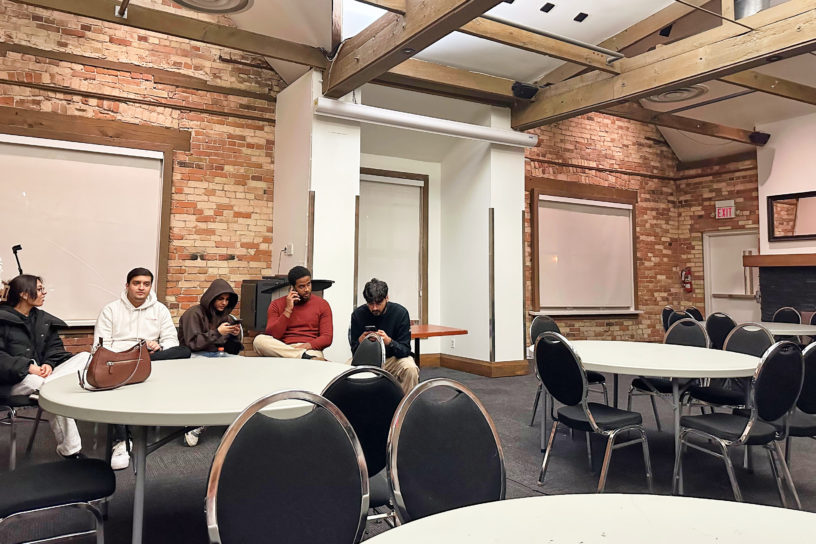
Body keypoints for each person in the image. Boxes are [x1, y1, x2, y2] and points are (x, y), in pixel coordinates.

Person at [95, 267, 190, 469]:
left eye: (146, 284)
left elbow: (171, 341)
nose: (141, 288)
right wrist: (135, 349)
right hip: (120, 361)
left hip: (150, 360)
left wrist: (159, 346)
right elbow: (101, 346)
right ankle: (122, 441)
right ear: (127, 285)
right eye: (136, 283)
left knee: (184, 351)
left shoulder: (160, 310)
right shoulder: (111, 310)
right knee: (116, 383)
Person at [0, 275, 88, 458]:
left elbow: (55, 349)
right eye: (39, 289)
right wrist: (28, 367)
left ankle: (47, 389)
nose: (44, 292)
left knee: (85, 358)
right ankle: (71, 451)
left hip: (44, 377)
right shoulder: (2, 320)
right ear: (24, 294)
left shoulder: (42, 319)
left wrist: (49, 363)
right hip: (13, 382)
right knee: (40, 384)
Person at [177, 278, 242, 446]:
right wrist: (218, 332)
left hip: (218, 355)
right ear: (211, 297)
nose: (224, 303)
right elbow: (192, 343)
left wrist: (233, 336)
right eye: (220, 299)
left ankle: (235, 420)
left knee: (242, 368)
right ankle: (194, 424)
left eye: (227, 299)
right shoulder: (194, 313)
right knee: (207, 375)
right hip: (194, 356)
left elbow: (232, 349)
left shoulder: (225, 317)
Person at [349, 278, 418, 394]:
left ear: (387, 298)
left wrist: (390, 342)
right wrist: (361, 342)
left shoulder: (400, 313)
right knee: (344, 373)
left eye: (378, 303)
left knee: (410, 369)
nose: (374, 308)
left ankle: (405, 404)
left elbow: (405, 350)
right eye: (370, 304)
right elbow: (354, 352)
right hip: (366, 360)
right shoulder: (358, 315)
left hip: (392, 359)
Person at [253, 266, 333, 360]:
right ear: (292, 288)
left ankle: (302, 356)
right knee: (259, 340)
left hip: (310, 349)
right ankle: (304, 357)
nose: (307, 289)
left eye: (308, 284)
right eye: (301, 286)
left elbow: (327, 337)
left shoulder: (322, 304)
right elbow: (273, 335)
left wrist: (306, 346)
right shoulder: (276, 304)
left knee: (311, 355)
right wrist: (288, 310)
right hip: (284, 347)